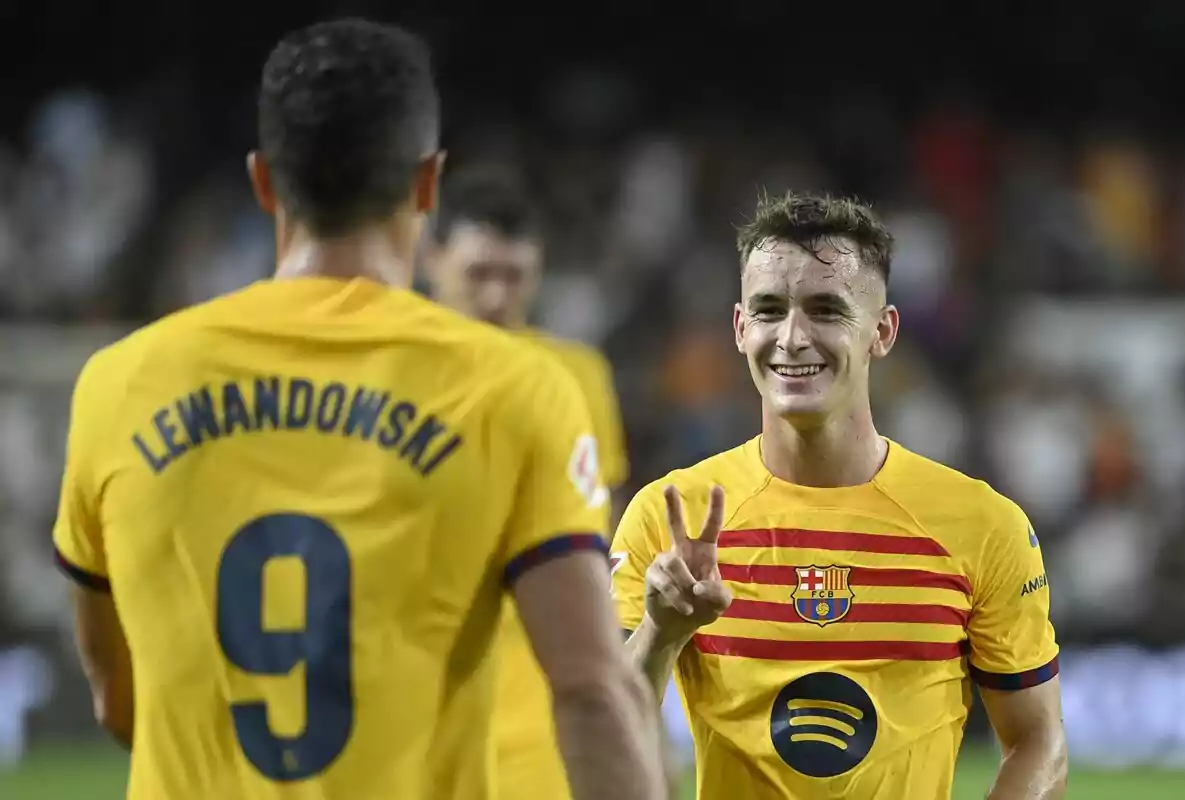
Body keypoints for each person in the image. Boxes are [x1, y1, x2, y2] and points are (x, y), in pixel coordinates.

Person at [51, 18, 665, 800]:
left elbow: (113, 694)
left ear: (264, 182)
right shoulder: (515, 387)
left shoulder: (118, 384)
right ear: (428, 185)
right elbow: (589, 688)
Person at [611, 192, 1068, 799]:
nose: (793, 336)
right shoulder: (672, 517)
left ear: (882, 331)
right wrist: (662, 631)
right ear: (741, 328)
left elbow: (1039, 742)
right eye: (769, 310)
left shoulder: (982, 525)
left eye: (826, 309)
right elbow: (604, 724)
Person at [423, 167, 631, 800]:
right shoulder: (396, 372)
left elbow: (606, 529)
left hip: (545, 704)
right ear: (433, 262)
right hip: (428, 701)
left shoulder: (577, 377)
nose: (494, 296)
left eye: (513, 276)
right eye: (478, 273)